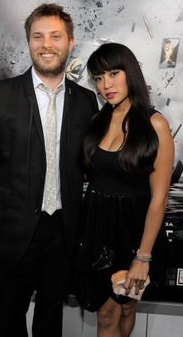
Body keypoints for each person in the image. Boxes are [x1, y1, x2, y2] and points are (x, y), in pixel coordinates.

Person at [0, 3, 98, 337]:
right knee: (9, 316)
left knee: (51, 317)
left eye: (55, 36)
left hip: (62, 234)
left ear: (71, 42)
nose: (46, 44)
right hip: (11, 233)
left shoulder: (85, 101)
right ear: (29, 42)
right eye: (38, 36)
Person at [74, 43, 174, 337]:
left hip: (134, 231)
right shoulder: (97, 121)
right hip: (96, 227)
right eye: (98, 78)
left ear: (129, 72)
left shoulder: (156, 125)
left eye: (113, 73)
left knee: (127, 307)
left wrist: (142, 258)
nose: (106, 84)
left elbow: (159, 198)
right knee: (105, 313)